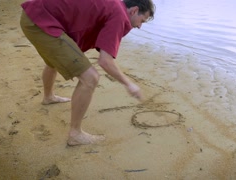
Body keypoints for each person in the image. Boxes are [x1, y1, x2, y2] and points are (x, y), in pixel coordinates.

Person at [20, 0, 155, 146]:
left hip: (34, 15)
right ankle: (75, 134)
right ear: (134, 10)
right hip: (41, 21)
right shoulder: (120, 15)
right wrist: (129, 84)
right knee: (90, 77)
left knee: (53, 59)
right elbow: (105, 61)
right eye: (142, 20)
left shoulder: (113, 4)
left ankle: (48, 97)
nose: (140, 26)